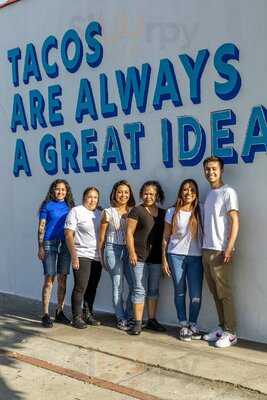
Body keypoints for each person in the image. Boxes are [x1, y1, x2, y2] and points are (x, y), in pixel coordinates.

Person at [202, 156, 239, 348]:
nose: (211, 172)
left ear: (221, 170)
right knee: (215, 292)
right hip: (207, 249)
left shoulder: (228, 192)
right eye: (208, 169)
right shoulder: (209, 194)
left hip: (220, 251)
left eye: (214, 169)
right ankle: (222, 327)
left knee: (224, 293)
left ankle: (231, 332)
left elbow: (235, 221)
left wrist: (229, 247)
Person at [162, 179, 203, 341]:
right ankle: (183, 324)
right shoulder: (172, 211)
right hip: (175, 255)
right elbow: (165, 237)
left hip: (196, 257)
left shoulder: (201, 210)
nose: (188, 193)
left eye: (192, 189)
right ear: (180, 192)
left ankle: (193, 323)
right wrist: (164, 259)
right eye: (185, 189)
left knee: (196, 294)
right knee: (179, 291)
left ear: (196, 193)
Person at [126, 180, 166, 335]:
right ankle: (137, 322)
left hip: (156, 258)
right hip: (139, 257)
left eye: (152, 194)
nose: (148, 196)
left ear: (157, 195)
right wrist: (132, 252)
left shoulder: (163, 213)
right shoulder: (137, 210)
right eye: (146, 193)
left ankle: (152, 320)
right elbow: (129, 233)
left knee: (154, 290)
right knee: (139, 289)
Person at [98, 180, 135, 331]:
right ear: (114, 193)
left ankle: (129, 315)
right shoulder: (107, 212)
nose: (123, 195)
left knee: (134, 285)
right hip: (112, 249)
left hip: (129, 250)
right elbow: (101, 238)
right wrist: (101, 258)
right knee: (118, 285)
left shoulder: (133, 211)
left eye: (126, 192)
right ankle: (121, 318)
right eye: (120, 192)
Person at [38, 179, 75, 328]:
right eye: (57, 189)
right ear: (53, 190)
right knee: (49, 278)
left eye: (63, 189)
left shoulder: (71, 207)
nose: (60, 192)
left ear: (67, 192)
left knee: (63, 279)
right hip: (49, 243)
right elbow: (41, 227)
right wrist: (40, 246)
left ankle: (59, 311)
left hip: (65, 245)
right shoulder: (47, 206)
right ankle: (45, 314)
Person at [65, 187, 102, 329]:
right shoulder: (76, 211)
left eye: (95, 197)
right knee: (81, 287)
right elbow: (68, 234)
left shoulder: (99, 213)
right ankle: (76, 317)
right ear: (84, 198)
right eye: (90, 197)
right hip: (82, 254)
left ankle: (88, 314)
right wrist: (74, 256)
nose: (92, 200)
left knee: (92, 287)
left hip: (97, 256)